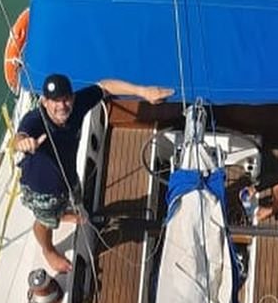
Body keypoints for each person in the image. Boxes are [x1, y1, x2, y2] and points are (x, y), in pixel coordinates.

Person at [14, 74, 173, 273]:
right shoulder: (34, 120)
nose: (62, 106)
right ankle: (48, 250)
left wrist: (142, 92)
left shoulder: (76, 106)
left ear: (72, 97)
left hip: (69, 178)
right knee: (45, 222)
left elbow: (105, 86)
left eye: (66, 99)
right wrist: (24, 143)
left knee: (75, 198)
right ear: (45, 102)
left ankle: (64, 213)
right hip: (43, 191)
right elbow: (20, 136)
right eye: (55, 101)